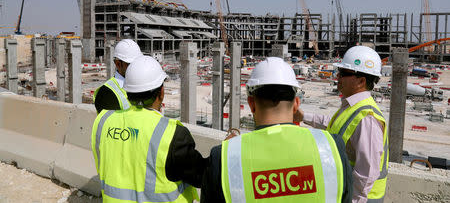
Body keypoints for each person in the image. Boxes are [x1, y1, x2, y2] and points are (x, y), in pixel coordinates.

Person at [201, 57, 353, 203]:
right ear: (296, 104)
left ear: (251, 104)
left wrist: (229, 151)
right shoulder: (331, 147)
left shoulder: (223, 157)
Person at [92, 55, 206, 202]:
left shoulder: (103, 121)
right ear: (161, 93)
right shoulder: (172, 134)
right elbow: (201, 176)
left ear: (127, 92)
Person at [297, 46, 389, 203]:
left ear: (361, 81)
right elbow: (334, 126)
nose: (337, 76)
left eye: (344, 74)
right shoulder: (353, 107)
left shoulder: (367, 118)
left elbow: (367, 173)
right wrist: (303, 116)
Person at [94, 39, 142, 113]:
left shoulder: (141, 85)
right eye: (130, 64)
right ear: (118, 64)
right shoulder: (106, 94)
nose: (136, 67)